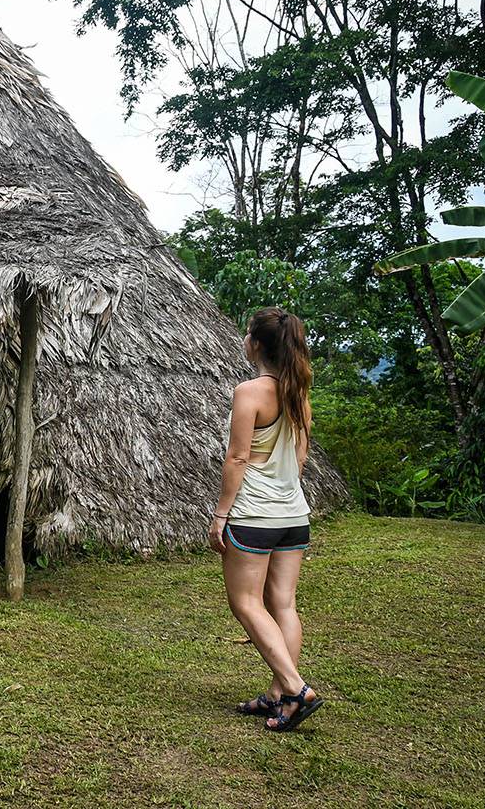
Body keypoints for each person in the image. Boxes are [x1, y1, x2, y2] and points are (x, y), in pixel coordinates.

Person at [209, 306, 324, 732]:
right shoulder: (300, 393)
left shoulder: (250, 392)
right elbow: (301, 456)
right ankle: (278, 694)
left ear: (256, 343)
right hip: (294, 514)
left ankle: (295, 689)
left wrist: (222, 513)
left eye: (246, 334)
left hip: (254, 514)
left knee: (245, 603)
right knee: (284, 604)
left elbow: (238, 456)